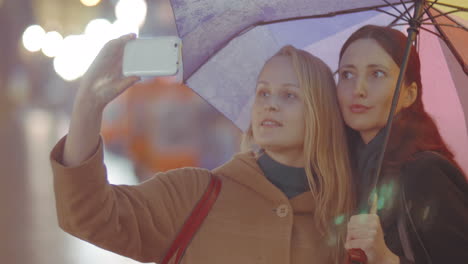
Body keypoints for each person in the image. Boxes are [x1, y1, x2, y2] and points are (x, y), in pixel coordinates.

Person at [50, 33, 355, 264]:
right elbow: (88, 216)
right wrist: (88, 104)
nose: (270, 104)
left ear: (321, 110)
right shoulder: (195, 194)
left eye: (289, 96)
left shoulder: (347, 213)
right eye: (263, 93)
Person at [336, 25, 468, 264]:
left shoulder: (424, 172)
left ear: (410, 94)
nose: (358, 89)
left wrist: (386, 259)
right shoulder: (348, 172)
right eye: (347, 74)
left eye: (377, 74)